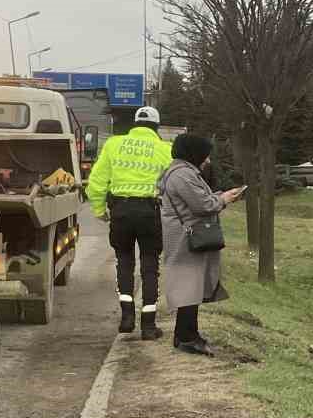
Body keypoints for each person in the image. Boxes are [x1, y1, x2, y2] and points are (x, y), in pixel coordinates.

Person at [87, 105, 174, 339]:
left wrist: (98, 209)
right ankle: (148, 325)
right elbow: (173, 185)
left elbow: (96, 181)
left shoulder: (114, 145)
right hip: (150, 212)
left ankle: (126, 317)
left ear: (135, 123)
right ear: (156, 127)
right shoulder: (166, 149)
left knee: (124, 261)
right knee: (149, 265)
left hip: (121, 211)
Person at [159, 134, 246, 355]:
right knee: (189, 287)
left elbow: (199, 200)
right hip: (185, 239)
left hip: (185, 236)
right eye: (205, 155)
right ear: (193, 153)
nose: (207, 160)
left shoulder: (184, 173)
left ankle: (186, 334)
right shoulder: (183, 175)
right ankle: (187, 337)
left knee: (191, 286)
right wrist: (224, 199)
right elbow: (202, 205)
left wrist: (220, 196)